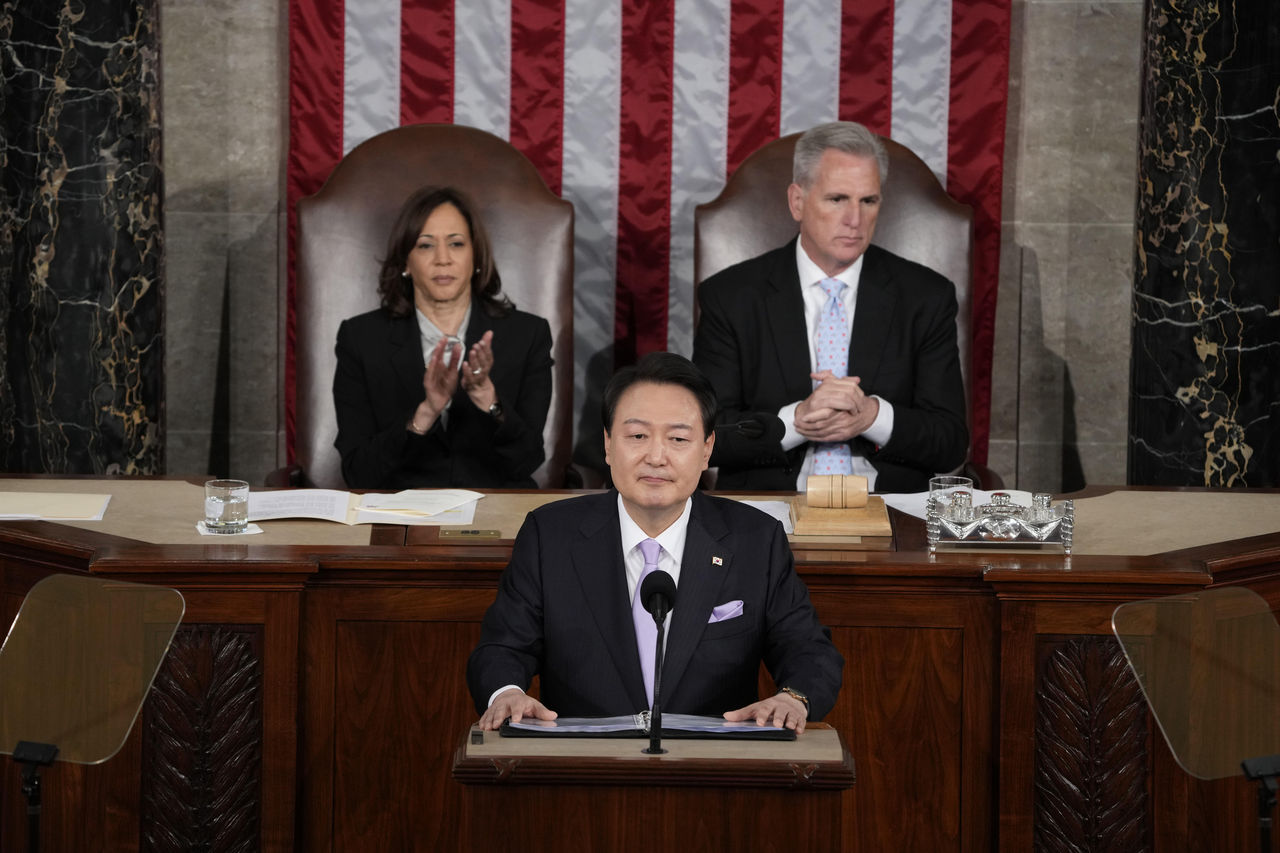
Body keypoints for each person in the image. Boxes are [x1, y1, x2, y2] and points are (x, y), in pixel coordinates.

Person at [467, 352, 843, 733]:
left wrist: (792, 698)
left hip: (711, 761)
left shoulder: (756, 540)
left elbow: (809, 651)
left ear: (707, 449)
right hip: (585, 758)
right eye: (638, 436)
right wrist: (507, 693)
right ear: (608, 444)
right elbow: (501, 648)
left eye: (678, 438)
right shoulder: (550, 536)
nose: (656, 457)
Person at [692, 121, 968, 494]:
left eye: (868, 201)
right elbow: (707, 437)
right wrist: (795, 422)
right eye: (837, 199)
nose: (854, 220)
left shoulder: (926, 297)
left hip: (889, 508)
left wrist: (873, 417)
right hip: (771, 507)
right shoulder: (731, 297)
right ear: (797, 201)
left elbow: (951, 442)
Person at [333, 186, 553, 488]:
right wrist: (426, 413)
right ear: (406, 262)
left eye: (456, 244)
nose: (443, 259)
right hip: (401, 510)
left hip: (496, 507)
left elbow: (528, 459)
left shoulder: (528, 335)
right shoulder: (360, 339)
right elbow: (357, 472)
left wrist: (488, 399)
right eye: (425, 245)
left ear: (476, 256)